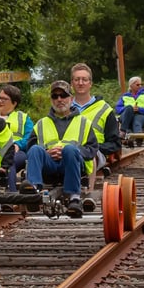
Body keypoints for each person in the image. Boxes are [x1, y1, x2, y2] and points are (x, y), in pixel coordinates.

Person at [23, 80, 98, 219]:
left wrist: (69, 150)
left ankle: (74, 197)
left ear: (71, 98)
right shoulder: (41, 124)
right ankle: (33, 192)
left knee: (70, 149)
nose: (59, 99)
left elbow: (92, 149)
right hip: (49, 167)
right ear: (51, 100)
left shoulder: (84, 123)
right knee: (35, 150)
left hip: (73, 165)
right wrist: (46, 152)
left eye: (63, 95)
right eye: (55, 96)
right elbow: (30, 149)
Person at [69, 63, 120, 175]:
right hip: (67, 152)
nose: (80, 83)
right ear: (71, 83)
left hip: (94, 154)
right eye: (77, 79)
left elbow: (115, 144)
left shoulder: (105, 109)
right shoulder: (63, 108)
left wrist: (93, 148)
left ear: (90, 83)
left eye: (84, 79)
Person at [0, 84, 33, 193]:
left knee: (9, 159)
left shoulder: (23, 118)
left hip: (17, 152)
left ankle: (11, 196)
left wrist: (18, 145)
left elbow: (30, 137)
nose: (0, 101)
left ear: (14, 103)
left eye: (5, 99)